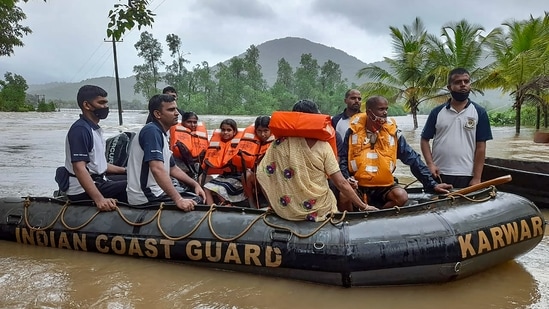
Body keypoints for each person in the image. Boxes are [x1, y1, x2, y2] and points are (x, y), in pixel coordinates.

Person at [257, 99, 377, 222]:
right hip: (320, 210)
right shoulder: (323, 146)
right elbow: (341, 183)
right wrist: (364, 206)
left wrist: (275, 205)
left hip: (286, 210)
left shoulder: (278, 144)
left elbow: (261, 174)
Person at [339, 96, 452, 209]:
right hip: (359, 184)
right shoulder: (352, 133)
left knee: (401, 196)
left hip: (384, 186)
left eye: (386, 109)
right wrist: (347, 178)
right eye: (381, 109)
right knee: (344, 195)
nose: (385, 113)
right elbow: (343, 159)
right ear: (369, 112)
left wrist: (432, 184)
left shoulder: (393, 134)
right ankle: (349, 220)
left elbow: (413, 159)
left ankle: (380, 216)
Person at [126, 94, 206, 211]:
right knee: (196, 202)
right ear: (158, 114)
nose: (177, 113)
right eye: (171, 110)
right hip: (146, 196)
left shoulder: (162, 133)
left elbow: (172, 168)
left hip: (157, 191)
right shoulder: (151, 132)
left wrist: (195, 184)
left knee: (196, 195)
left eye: (176, 109)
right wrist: (178, 200)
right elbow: (157, 169)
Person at [420, 68, 493, 188]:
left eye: (466, 81)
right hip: (439, 173)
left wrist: (477, 177)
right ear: (449, 87)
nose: (463, 85)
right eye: (458, 82)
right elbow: (424, 140)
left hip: (466, 174)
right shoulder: (437, 112)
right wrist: (430, 164)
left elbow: (481, 147)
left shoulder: (479, 112)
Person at [60, 85, 127, 211]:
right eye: (101, 103)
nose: (105, 107)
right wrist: (99, 200)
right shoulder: (81, 130)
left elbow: (99, 164)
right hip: (81, 190)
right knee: (136, 185)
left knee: (134, 178)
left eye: (106, 103)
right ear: (87, 105)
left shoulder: (94, 129)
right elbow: (79, 168)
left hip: (100, 180)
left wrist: (126, 170)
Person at [202, 119, 246, 205]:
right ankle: (210, 208)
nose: (225, 132)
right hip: (224, 176)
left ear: (234, 132)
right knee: (206, 188)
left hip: (237, 177)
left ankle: (227, 206)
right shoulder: (218, 143)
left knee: (220, 189)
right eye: (223, 130)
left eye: (229, 130)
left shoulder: (241, 144)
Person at [235, 116, 275, 208]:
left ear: (271, 130)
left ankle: (271, 205)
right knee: (246, 174)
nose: (263, 134)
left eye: (266, 131)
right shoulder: (253, 142)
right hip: (257, 180)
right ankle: (252, 203)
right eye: (259, 131)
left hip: (272, 180)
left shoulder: (276, 144)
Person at [169, 111, 209, 180]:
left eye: (195, 122)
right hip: (179, 163)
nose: (193, 125)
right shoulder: (173, 131)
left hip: (197, 165)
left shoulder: (200, 134)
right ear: (182, 122)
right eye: (189, 122)